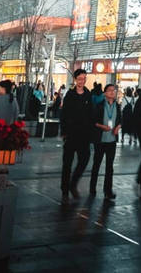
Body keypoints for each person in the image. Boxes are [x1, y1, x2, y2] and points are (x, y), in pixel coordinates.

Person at [60, 69, 93, 199]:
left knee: (84, 160)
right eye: (80, 78)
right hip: (71, 134)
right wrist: (64, 131)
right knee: (67, 164)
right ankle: (65, 190)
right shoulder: (70, 95)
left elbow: (91, 114)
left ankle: (73, 184)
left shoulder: (88, 95)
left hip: (84, 135)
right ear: (75, 79)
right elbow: (64, 114)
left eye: (84, 78)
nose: (82, 81)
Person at [89, 83, 121, 199]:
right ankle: (92, 188)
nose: (112, 92)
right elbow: (93, 121)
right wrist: (102, 127)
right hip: (100, 140)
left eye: (114, 90)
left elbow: (119, 119)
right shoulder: (99, 106)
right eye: (110, 90)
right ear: (105, 93)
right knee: (96, 164)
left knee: (110, 166)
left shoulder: (117, 106)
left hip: (112, 140)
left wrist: (118, 127)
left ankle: (108, 190)